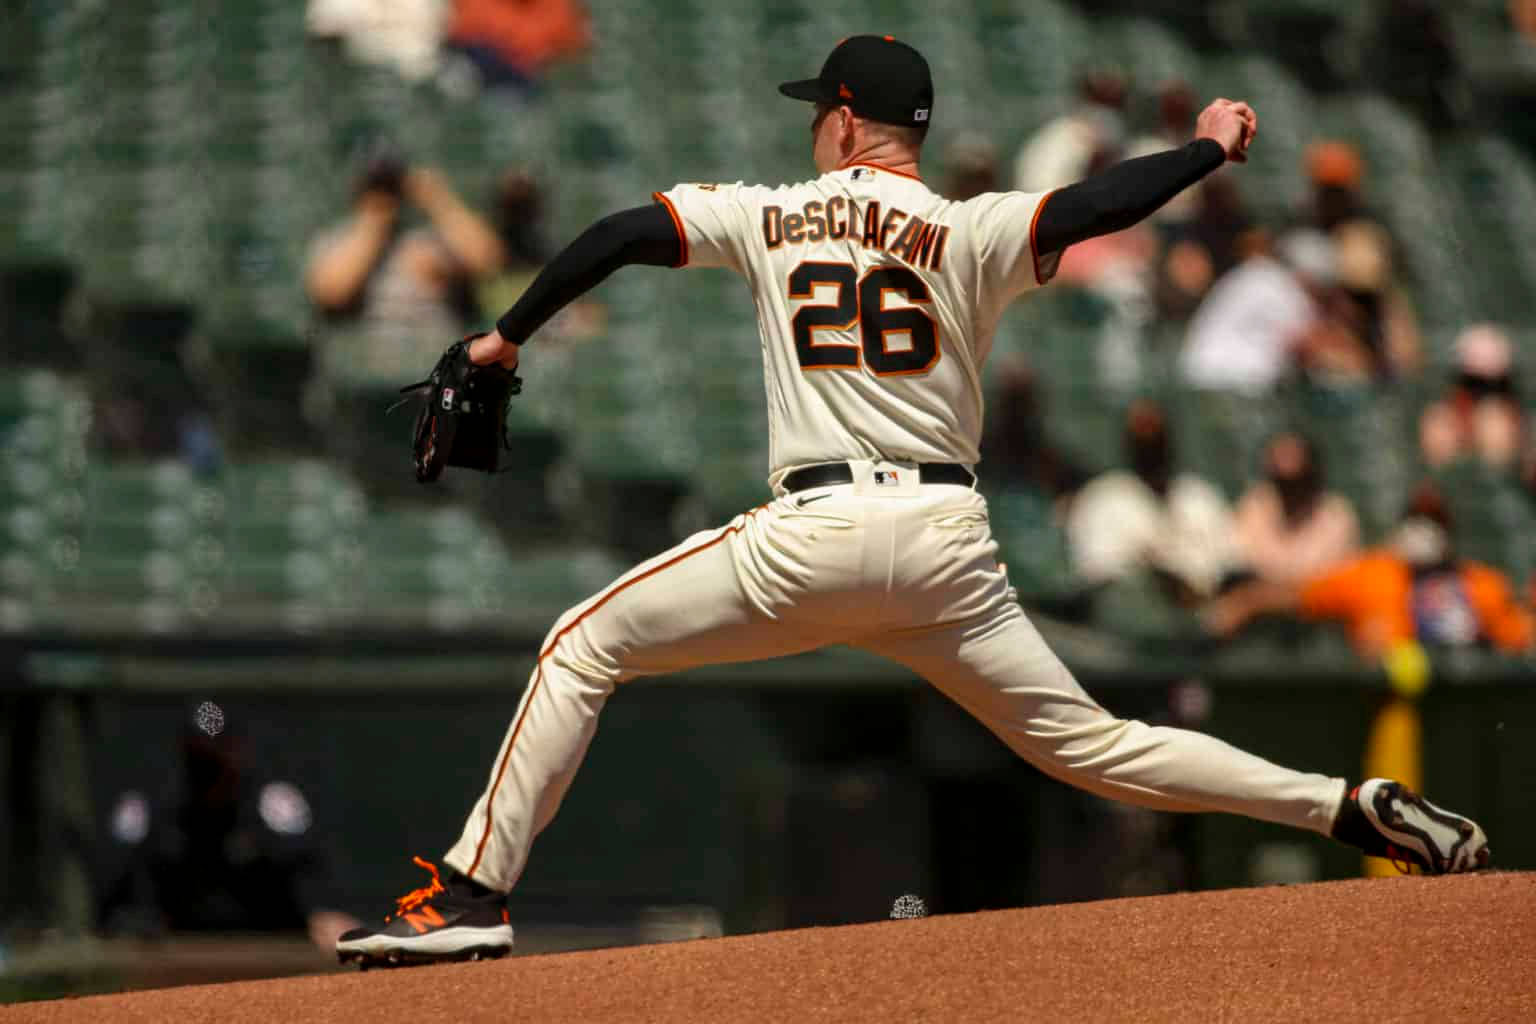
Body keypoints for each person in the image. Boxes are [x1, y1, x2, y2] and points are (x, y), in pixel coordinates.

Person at [337, 36, 1489, 969]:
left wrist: (502, 337)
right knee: (1102, 746)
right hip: (947, 551)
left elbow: (622, 233)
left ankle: (472, 895)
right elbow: (1095, 207)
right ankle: (1348, 806)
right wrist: (1202, 150)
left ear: (845, 121)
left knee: (583, 645)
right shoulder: (968, 226)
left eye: (818, 111)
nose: (812, 128)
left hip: (813, 537)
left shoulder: (770, 211)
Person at [98, 709, 360, 953]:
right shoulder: (156, 806)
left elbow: (306, 872)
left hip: (268, 949)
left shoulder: (270, 802)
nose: (210, 770)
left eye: (217, 756)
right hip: (176, 952)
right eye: (200, 758)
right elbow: (122, 891)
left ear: (237, 749)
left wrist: (319, 909)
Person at [1207, 484, 1533, 658]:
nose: (1425, 531)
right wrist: (1244, 602)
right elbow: (1300, 594)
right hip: (1386, 712)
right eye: (1417, 518)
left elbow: (1519, 637)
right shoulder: (1371, 573)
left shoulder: (1481, 584)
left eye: (1435, 520)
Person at [306, 155, 504, 384]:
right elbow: (331, 292)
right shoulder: (339, 240)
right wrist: (374, 223)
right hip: (368, 376)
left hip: (434, 372)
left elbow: (488, 260)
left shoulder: (434, 238)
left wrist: (438, 202)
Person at [1066, 400, 1236, 601]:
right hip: (1135, 609)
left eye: (1156, 433)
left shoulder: (1199, 496)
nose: (1149, 441)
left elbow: (1228, 562)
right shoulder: (1102, 499)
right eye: (1142, 434)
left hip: (1208, 607)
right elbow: (1099, 574)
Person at [1232, 432, 1360, 587]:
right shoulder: (1253, 507)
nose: (1286, 464)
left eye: (1292, 457)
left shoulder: (1336, 514)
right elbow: (1242, 563)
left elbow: (1340, 574)